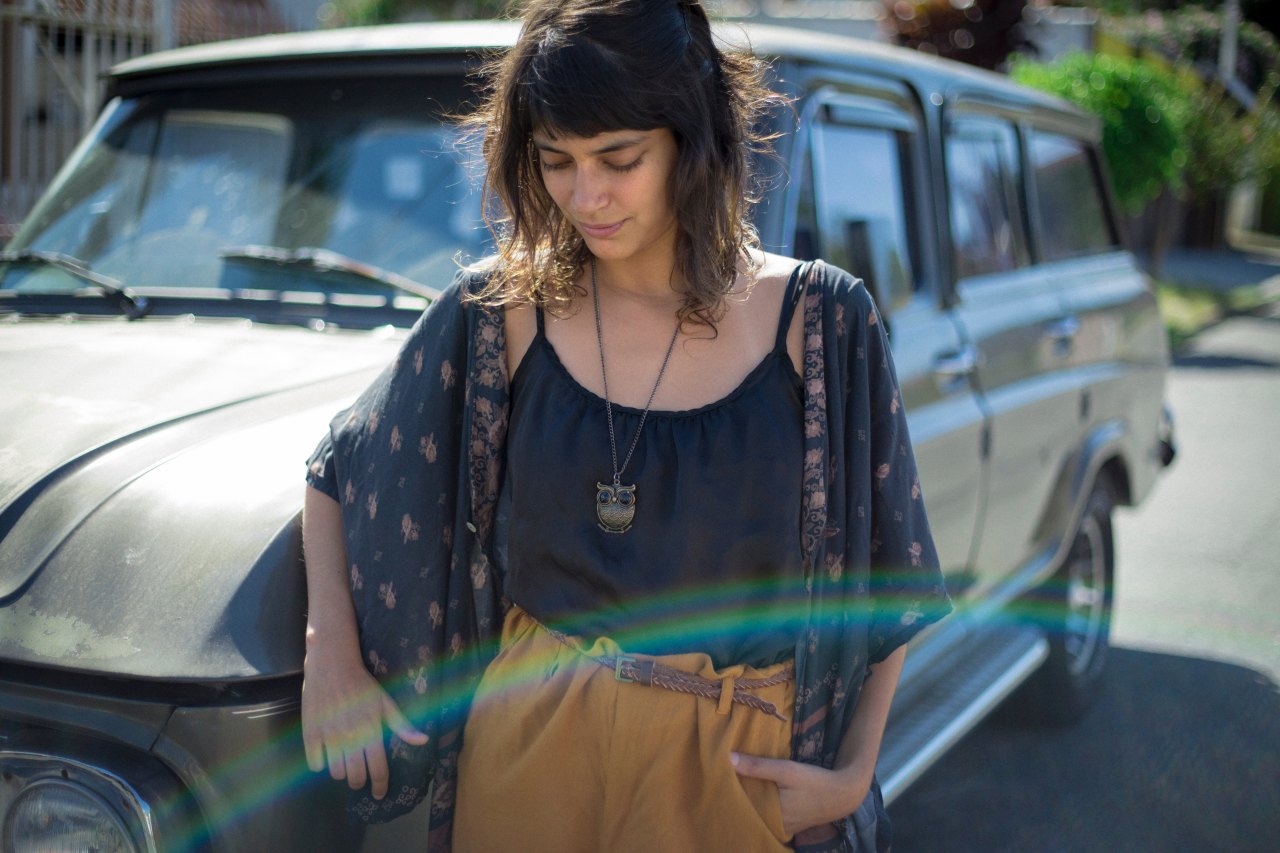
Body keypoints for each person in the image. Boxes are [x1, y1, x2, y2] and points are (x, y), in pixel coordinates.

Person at [299, 1, 952, 850]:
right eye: (557, 161)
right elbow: (340, 469)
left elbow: (891, 568)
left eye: (619, 157)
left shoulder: (821, 320)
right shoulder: (502, 311)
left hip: (734, 770)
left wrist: (853, 775)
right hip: (526, 755)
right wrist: (332, 658)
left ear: (692, 138)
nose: (587, 195)